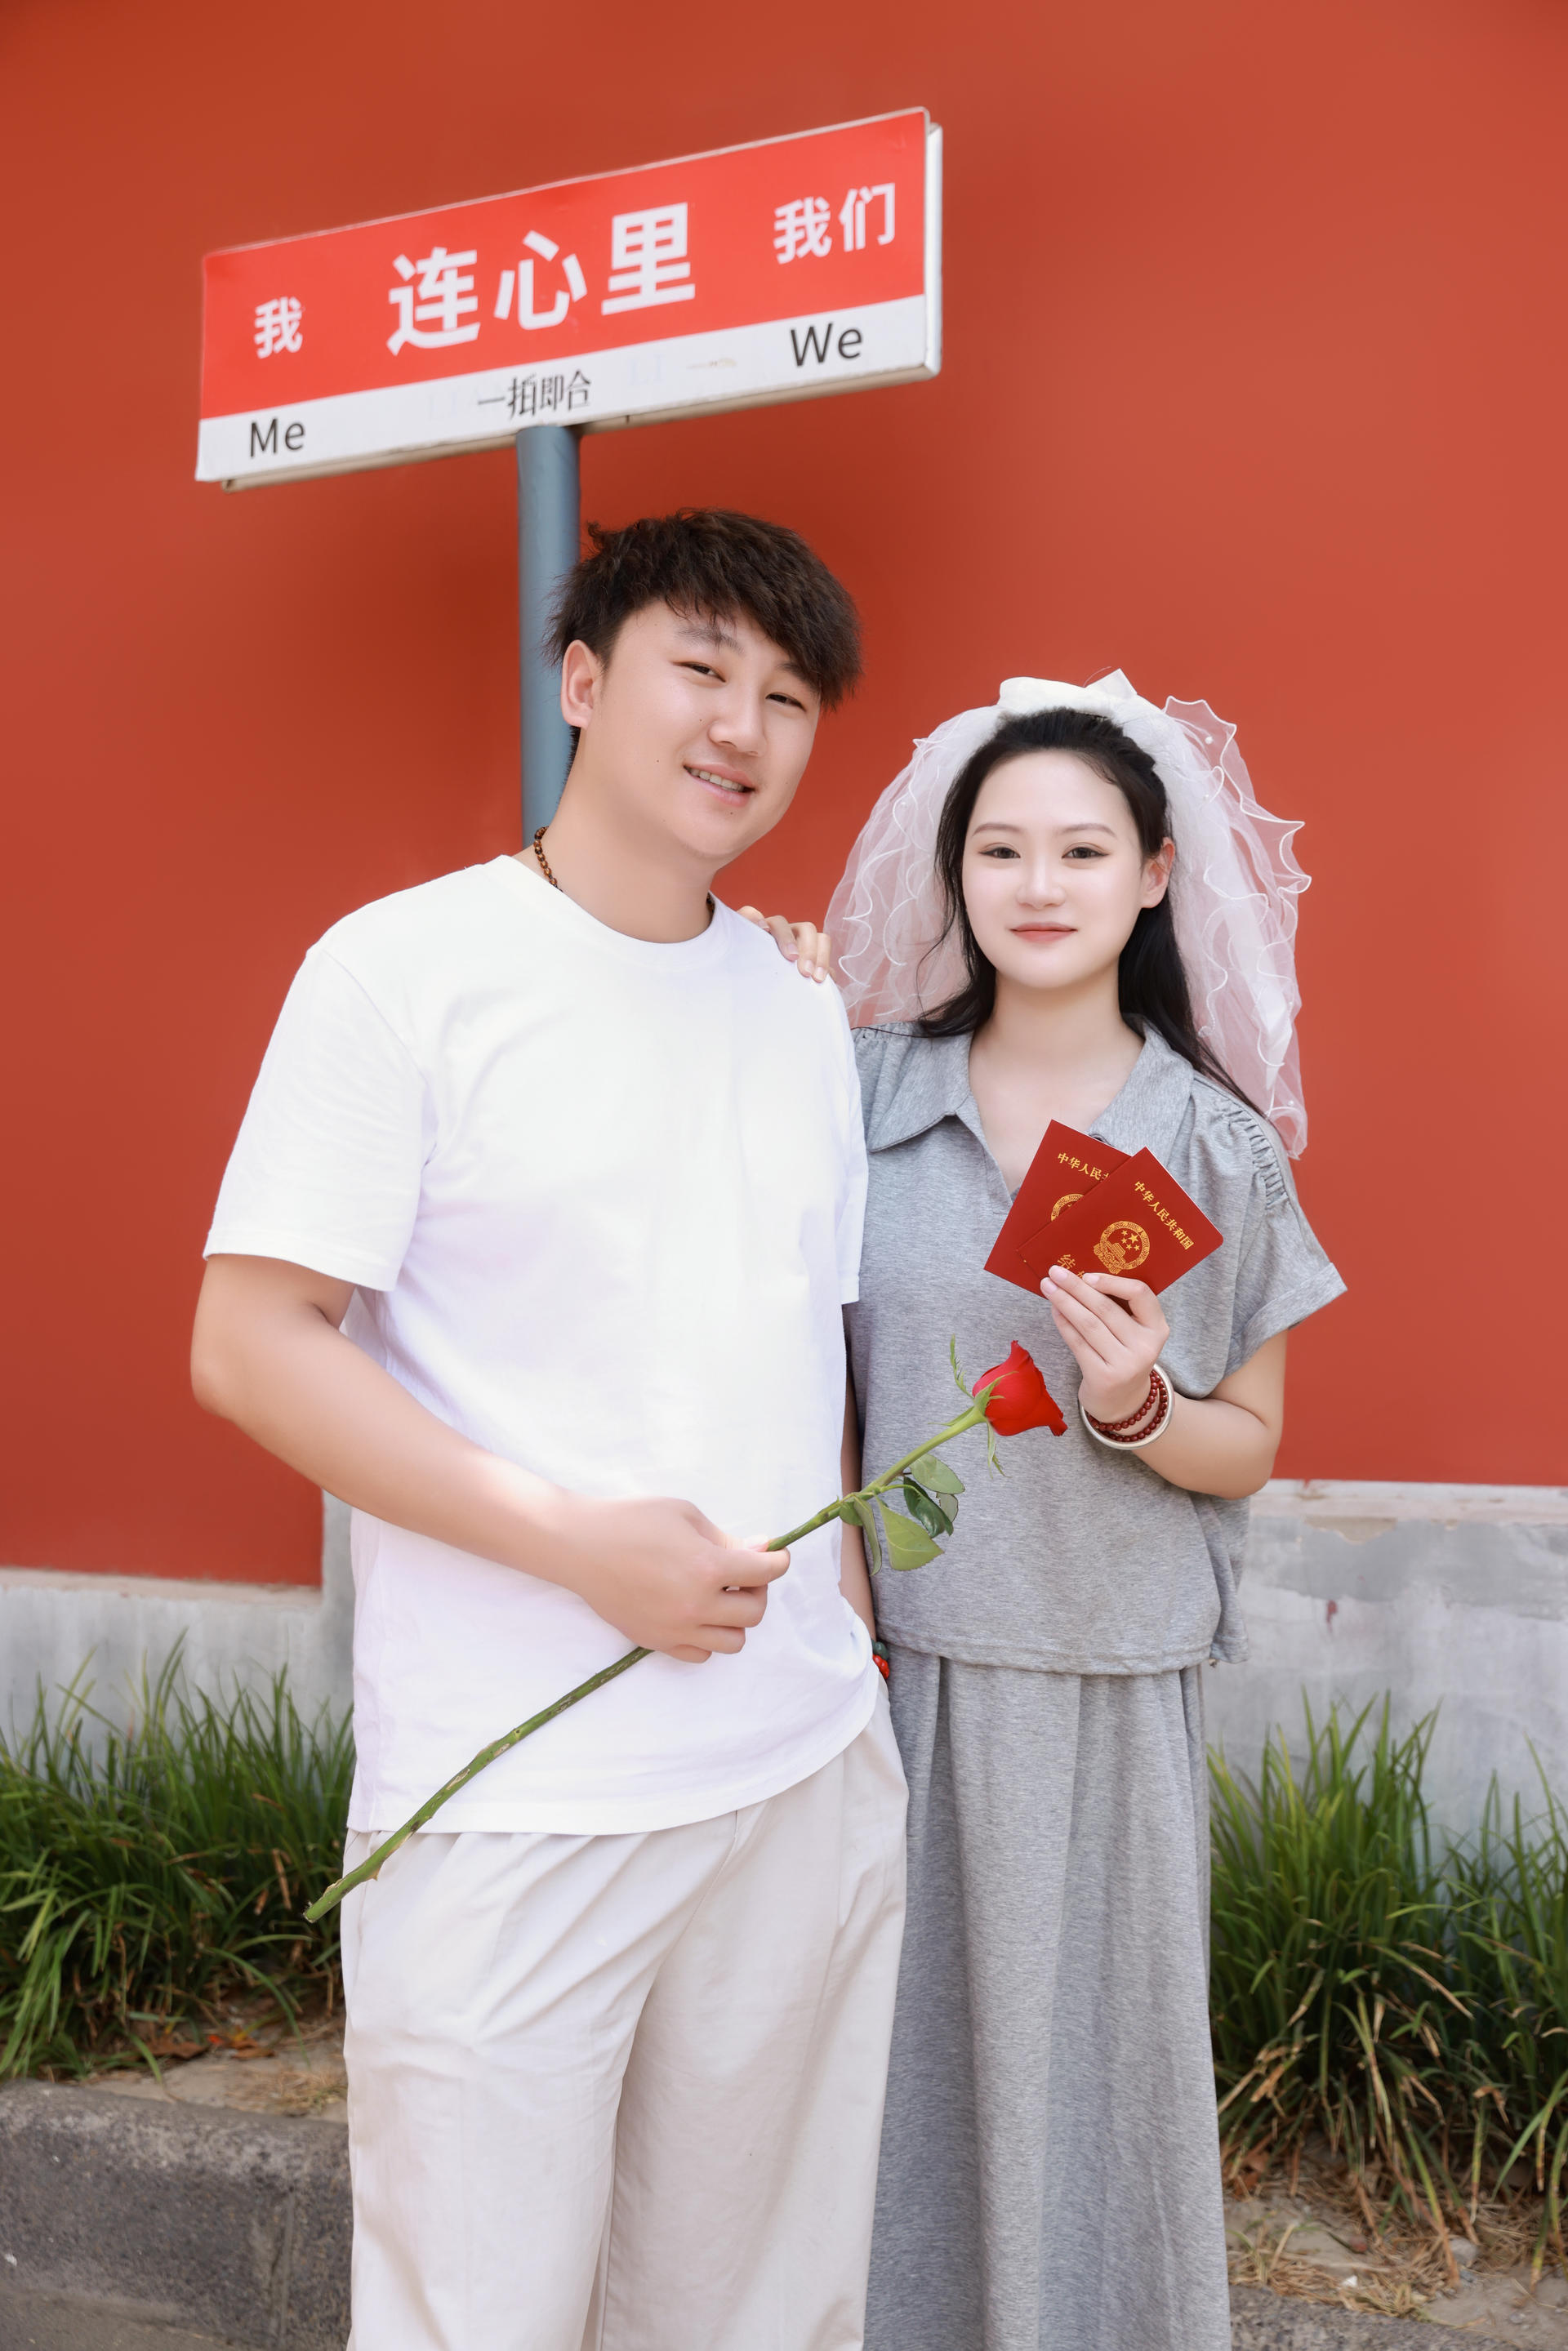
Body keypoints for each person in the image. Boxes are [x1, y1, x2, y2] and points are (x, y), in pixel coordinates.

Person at [190, 510, 907, 2351]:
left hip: (799, 1772)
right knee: (479, 2317)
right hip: (519, 1794)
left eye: (789, 696)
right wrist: (576, 1544)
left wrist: (851, 1660)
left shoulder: (801, 1012)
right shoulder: (403, 971)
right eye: (701, 668)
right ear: (582, 682)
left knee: (757, 2318)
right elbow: (250, 1345)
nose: (743, 725)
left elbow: (794, 1355)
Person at [746, 673, 1345, 2351]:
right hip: (885, 1675)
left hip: (1109, 1682)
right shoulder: (859, 1088)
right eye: (999, 848)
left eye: (1082, 850)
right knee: (870, 2091)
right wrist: (756, 992)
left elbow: (1251, 1446)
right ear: (955, 875)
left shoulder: (1215, 1148)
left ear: (1155, 874)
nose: (1038, 883)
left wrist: (1142, 1400)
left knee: (1099, 2095)